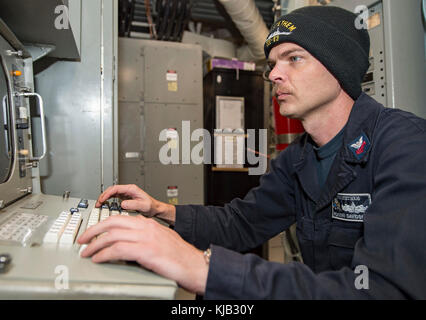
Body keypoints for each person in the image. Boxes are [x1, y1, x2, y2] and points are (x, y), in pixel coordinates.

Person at [77, 6, 426, 299]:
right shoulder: (299, 158)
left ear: (339, 67)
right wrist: (162, 210)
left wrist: (202, 268)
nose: (274, 74)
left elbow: (382, 290)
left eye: (294, 58)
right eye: (273, 63)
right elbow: (242, 223)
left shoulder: (404, 147)